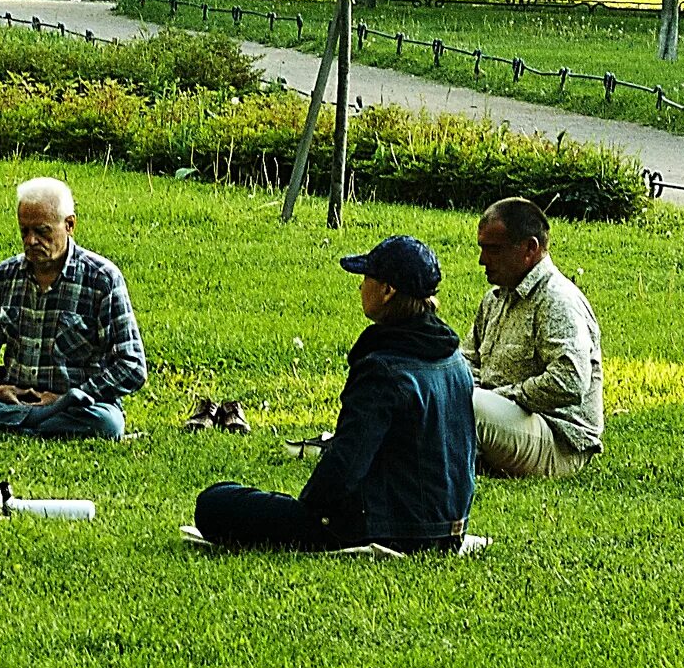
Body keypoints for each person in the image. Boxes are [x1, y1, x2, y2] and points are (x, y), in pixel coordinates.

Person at [193, 235, 480, 554]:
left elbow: (346, 465)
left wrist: (308, 514)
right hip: (449, 526)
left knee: (214, 503)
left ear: (387, 291)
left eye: (366, 279)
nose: (360, 288)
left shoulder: (383, 368)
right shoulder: (454, 359)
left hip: (391, 528)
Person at [0, 176, 147, 440]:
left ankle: (13, 422)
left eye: (42, 231)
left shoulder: (102, 279)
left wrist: (67, 398)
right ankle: (31, 421)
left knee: (106, 422)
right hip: (11, 397)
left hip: (74, 402)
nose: (31, 241)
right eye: (24, 231)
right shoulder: (5, 276)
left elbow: (132, 365)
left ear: (69, 225)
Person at [461, 197, 603, 479]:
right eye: (482, 249)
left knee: (467, 407)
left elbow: (569, 381)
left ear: (530, 248)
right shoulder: (495, 299)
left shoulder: (557, 300)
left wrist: (502, 397)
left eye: (494, 250)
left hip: (558, 441)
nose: (482, 260)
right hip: (507, 424)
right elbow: (468, 361)